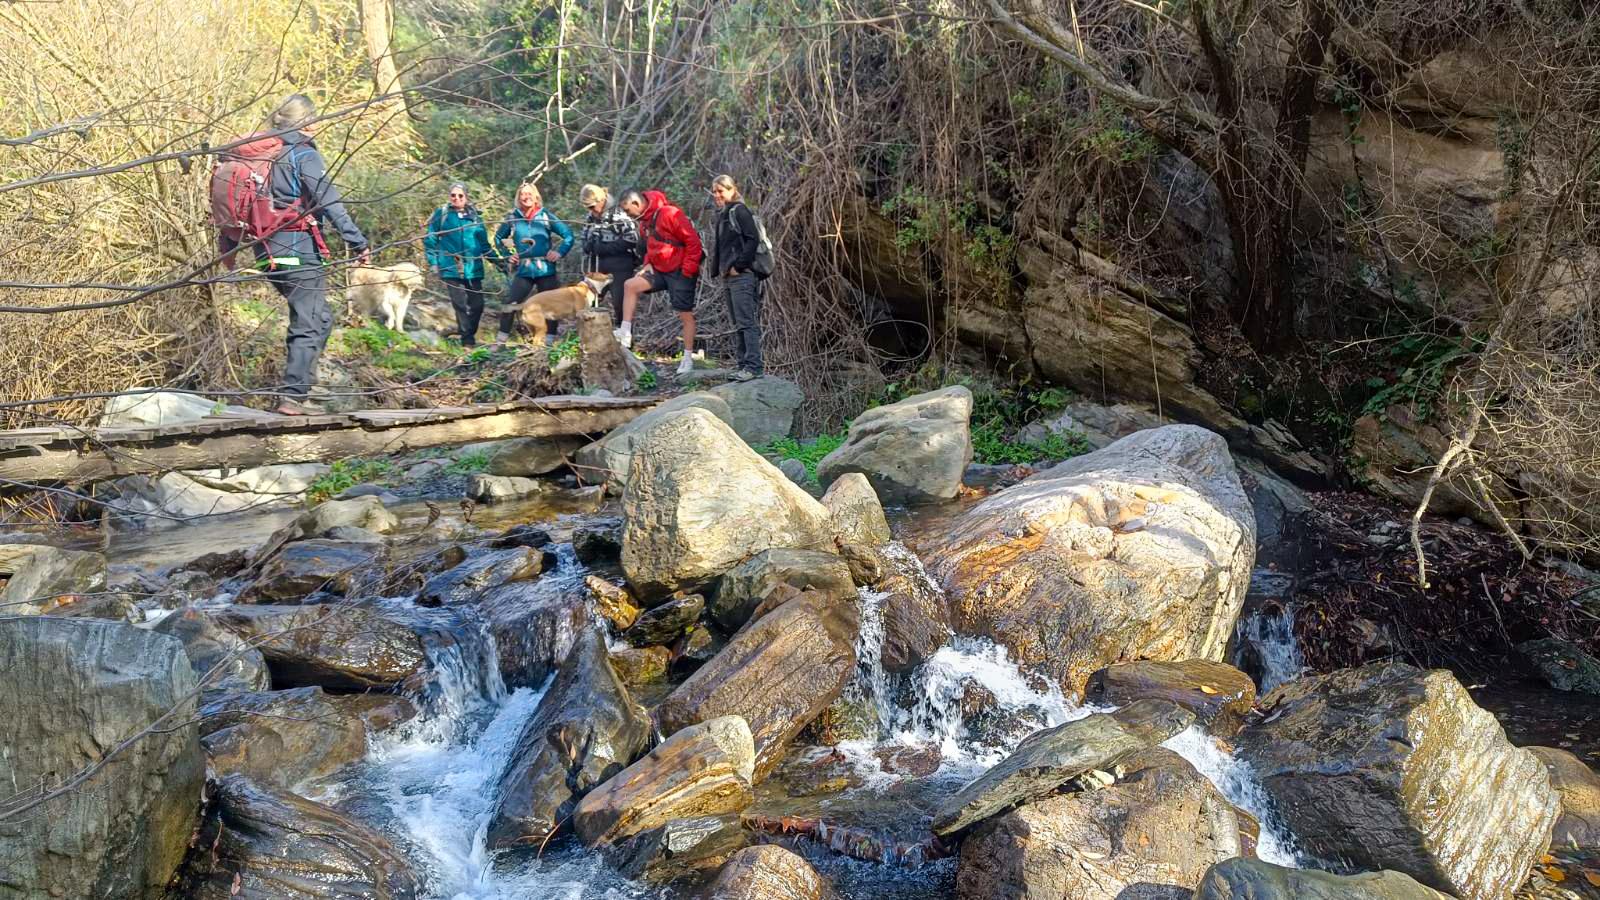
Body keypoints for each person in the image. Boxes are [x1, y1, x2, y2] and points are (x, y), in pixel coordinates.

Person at [226, 94, 370, 415]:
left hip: (266, 254)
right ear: (305, 122)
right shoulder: (302, 155)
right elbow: (329, 200)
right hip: (296, 250)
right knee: (308, 321)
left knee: (320, 318)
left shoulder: (268, 152)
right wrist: (358, 242)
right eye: (314, 117)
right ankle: (293, 398)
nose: (318, 123)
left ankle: (302, 387)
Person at [615, 189, 703, 376]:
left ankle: (687, 358)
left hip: (681, 270)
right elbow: (650, 247)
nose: (627, 214)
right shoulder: (643, 222)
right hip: (659, 270)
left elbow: (693, 241)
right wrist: (647, 265)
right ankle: (625, 331)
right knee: (630, 285)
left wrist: (687, 269)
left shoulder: (670, 213)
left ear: (637, 204)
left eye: (627, 210)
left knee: (684, 314)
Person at [492, 182, 573, 344]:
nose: (526, 197)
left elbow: (568, 235)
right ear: (518, 198)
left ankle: (549, 341)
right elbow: (498, 238)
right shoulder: (513, 217)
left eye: (529, 194)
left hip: (546, 270)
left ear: (536, 197)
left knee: (551, 306)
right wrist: (508, 255)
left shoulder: (545, 216)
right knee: (511, 303)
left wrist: (559, 252)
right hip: (524, 270)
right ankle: (500, 342)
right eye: (523, 194)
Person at [424, 182, 493, 347]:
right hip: (450, 266)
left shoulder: (475, 217)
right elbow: (430, 239)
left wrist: (500, 262)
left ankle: (467, 332)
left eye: (460, 195)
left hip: (473, 267)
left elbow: (484, 244)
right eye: (453, 195)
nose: (456, 198)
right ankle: (467, 341)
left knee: (478, 305)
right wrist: (433, 262)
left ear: (466, 197)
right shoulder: (442, 214)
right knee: (460, 304)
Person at [711, 174, 763, 381]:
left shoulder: (739, 211)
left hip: (742, 276)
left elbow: (753, 239)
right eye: (714, 192)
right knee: (738, 323)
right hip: (729, 277)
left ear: (732, 190)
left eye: (720, 191)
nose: (717, 195)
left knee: (746, 322)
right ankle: (743, 366)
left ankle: (753, 367)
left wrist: (738, 266)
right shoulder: (725, 212)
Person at [578, 184, 643, 326]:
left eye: (592, 206)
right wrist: (587, 246)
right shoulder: (590, 217)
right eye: (587, 207)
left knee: (619, 302)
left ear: (601, 201)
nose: (590, 210)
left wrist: (605, 248)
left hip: (619, 265)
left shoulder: (619, 214)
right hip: (596, 265)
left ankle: (625, 337)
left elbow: (632, 238)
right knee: (590, 301)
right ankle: (593, 337)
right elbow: (583, 237)